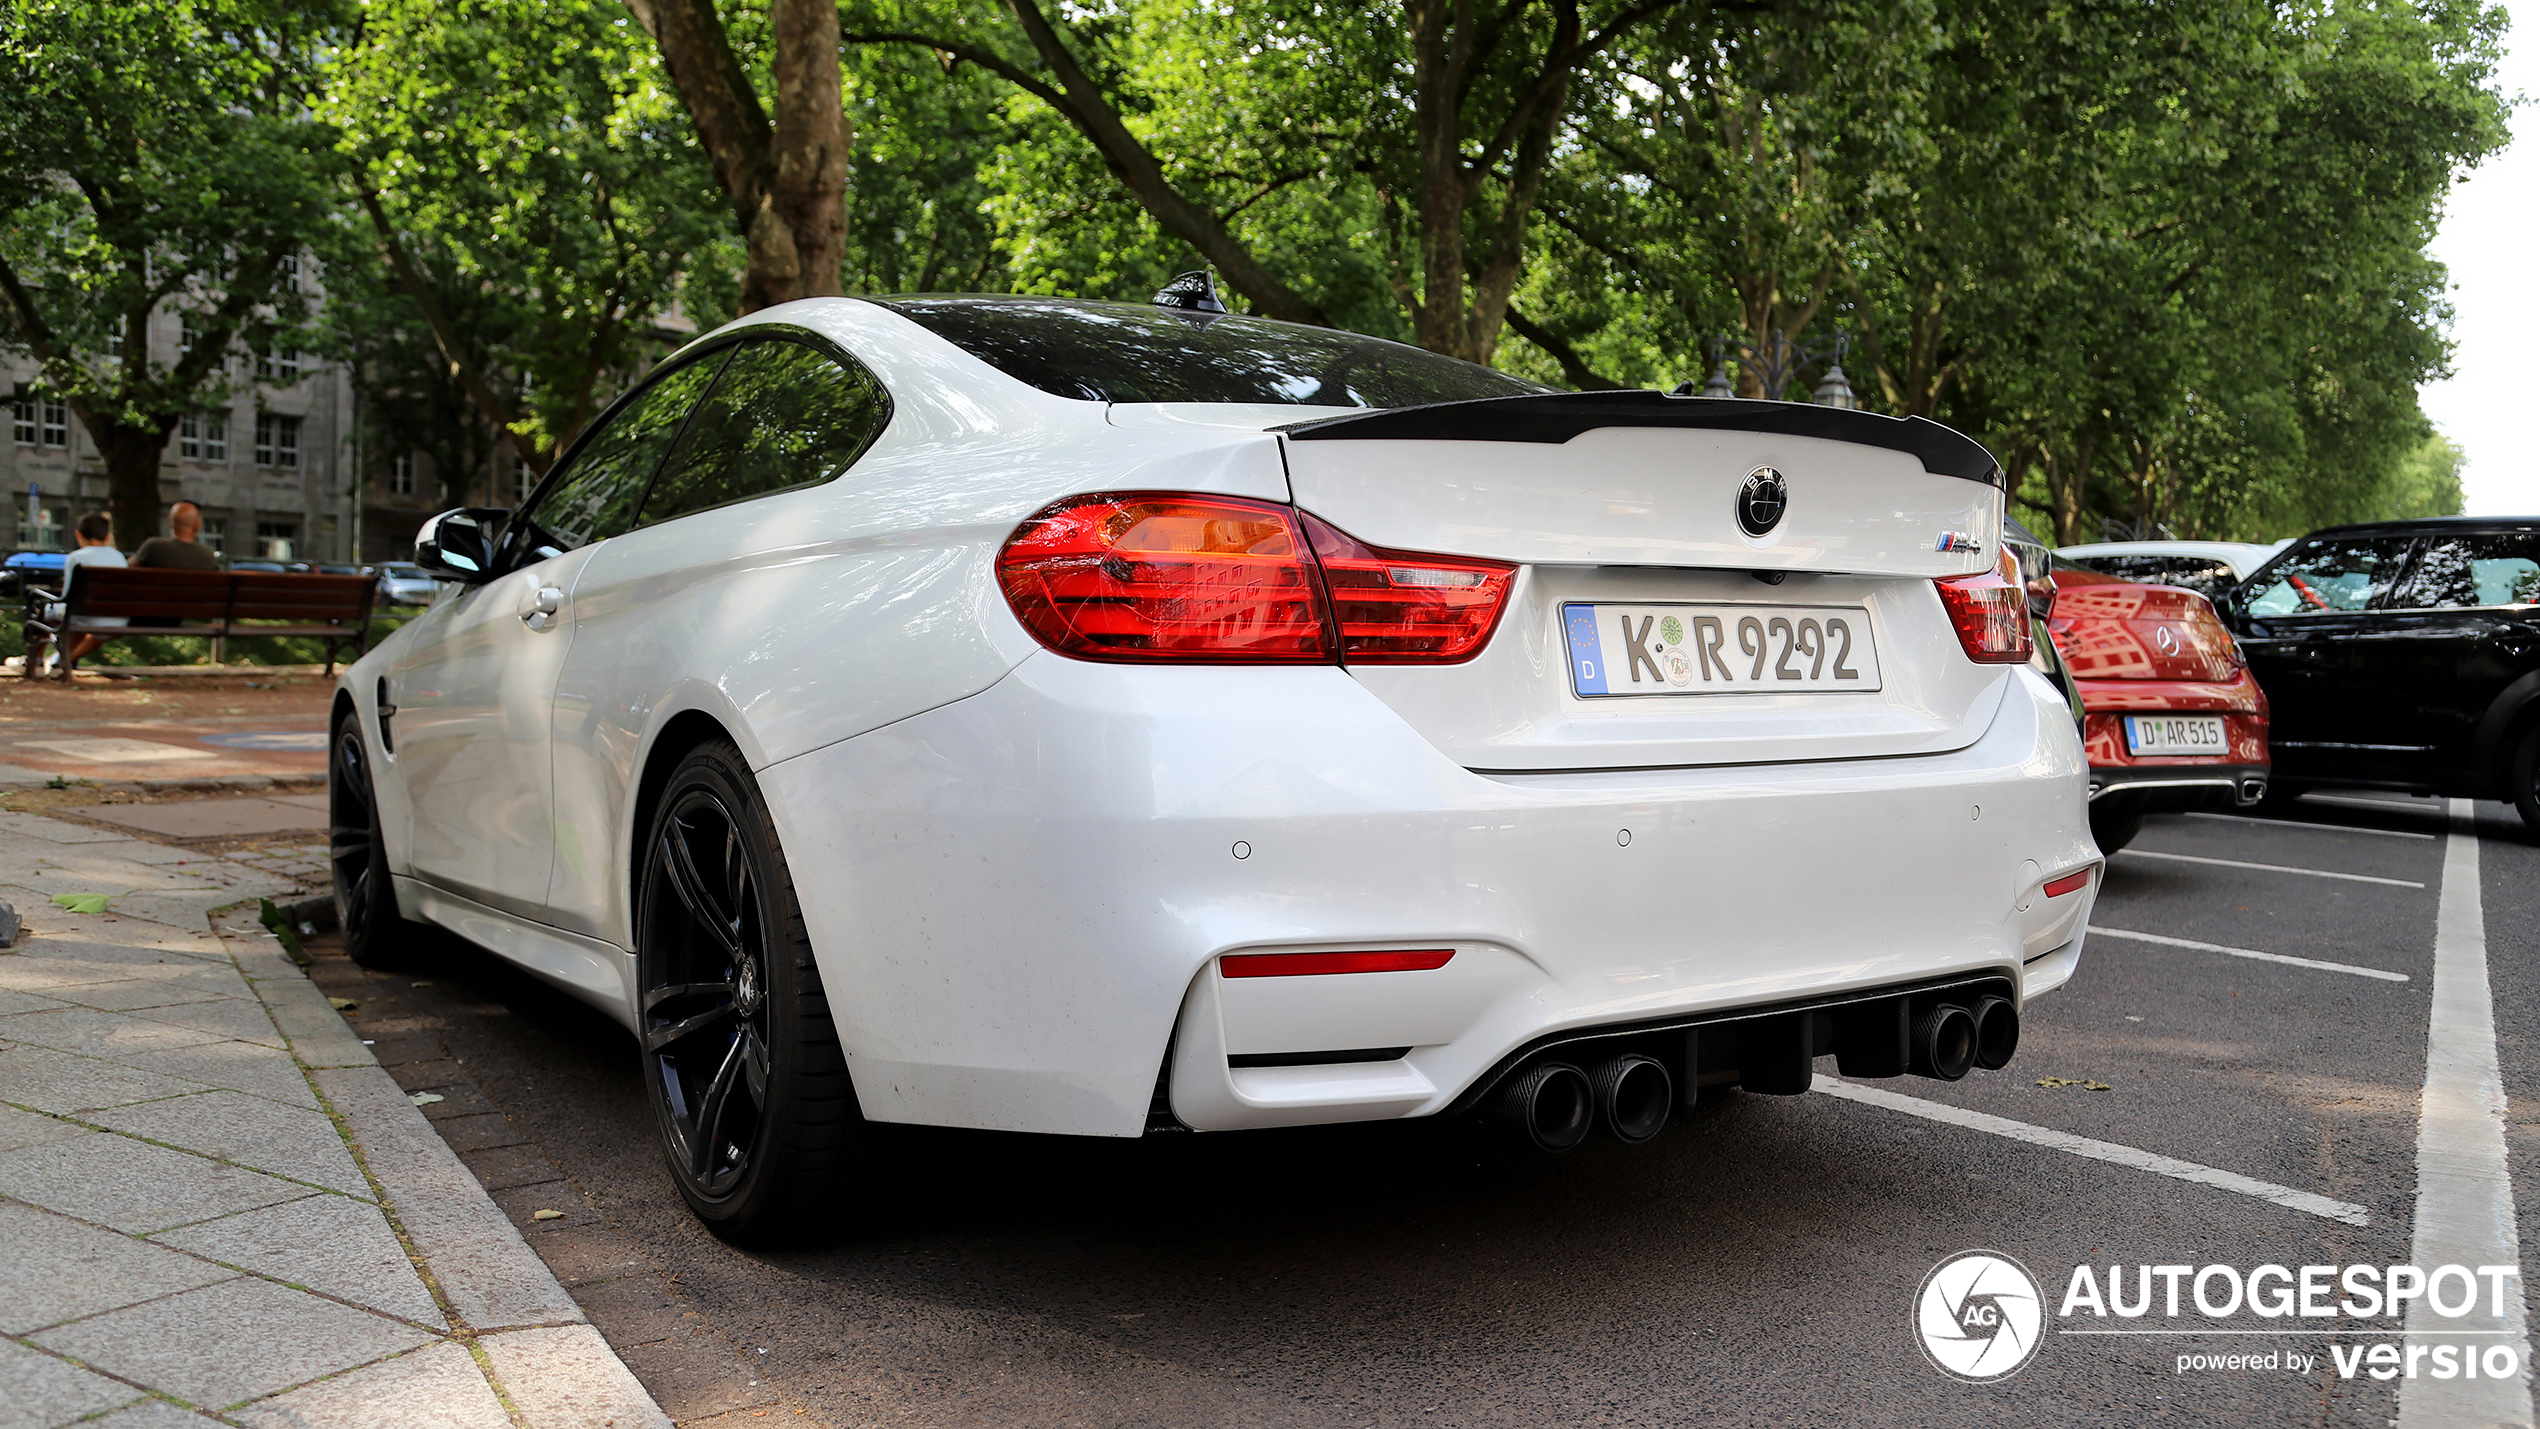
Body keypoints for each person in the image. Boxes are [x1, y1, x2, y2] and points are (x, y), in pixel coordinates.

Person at [41, 513, 128, 668]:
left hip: (84, 616)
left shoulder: (76, 557)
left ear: (78, 535)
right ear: (107, 537)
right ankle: (62, 660)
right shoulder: (119, 557)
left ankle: (36, 659)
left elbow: (67, 597)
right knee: (80, 614)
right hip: (117, 619)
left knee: (43, 611)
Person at [131, 501, 223, 572]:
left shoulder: (153, 547)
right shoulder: (207, 556)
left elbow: (127, 569)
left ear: (170, 521)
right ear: (196, 525)